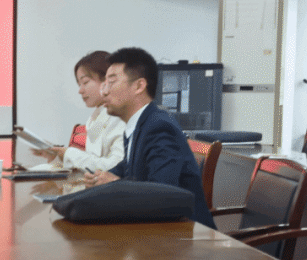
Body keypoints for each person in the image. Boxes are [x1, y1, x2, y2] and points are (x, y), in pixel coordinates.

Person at [83, 47, 215, 229]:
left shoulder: (159, 127)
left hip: (187, 234)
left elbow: (162, 193)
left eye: (111, 82)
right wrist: (102, 176)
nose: (104, 92)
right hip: (158, 227)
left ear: (139, 86)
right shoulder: (138, 124)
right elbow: (129, 167)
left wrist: (114, 183)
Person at [31, 50, 125, 172]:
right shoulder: (96, 117)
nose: (80, 91)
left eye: (85, 82)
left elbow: (116, 168)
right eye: (79, 84)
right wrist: (57, 156)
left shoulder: (121, 118)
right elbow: (91, 161)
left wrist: (68, 153)